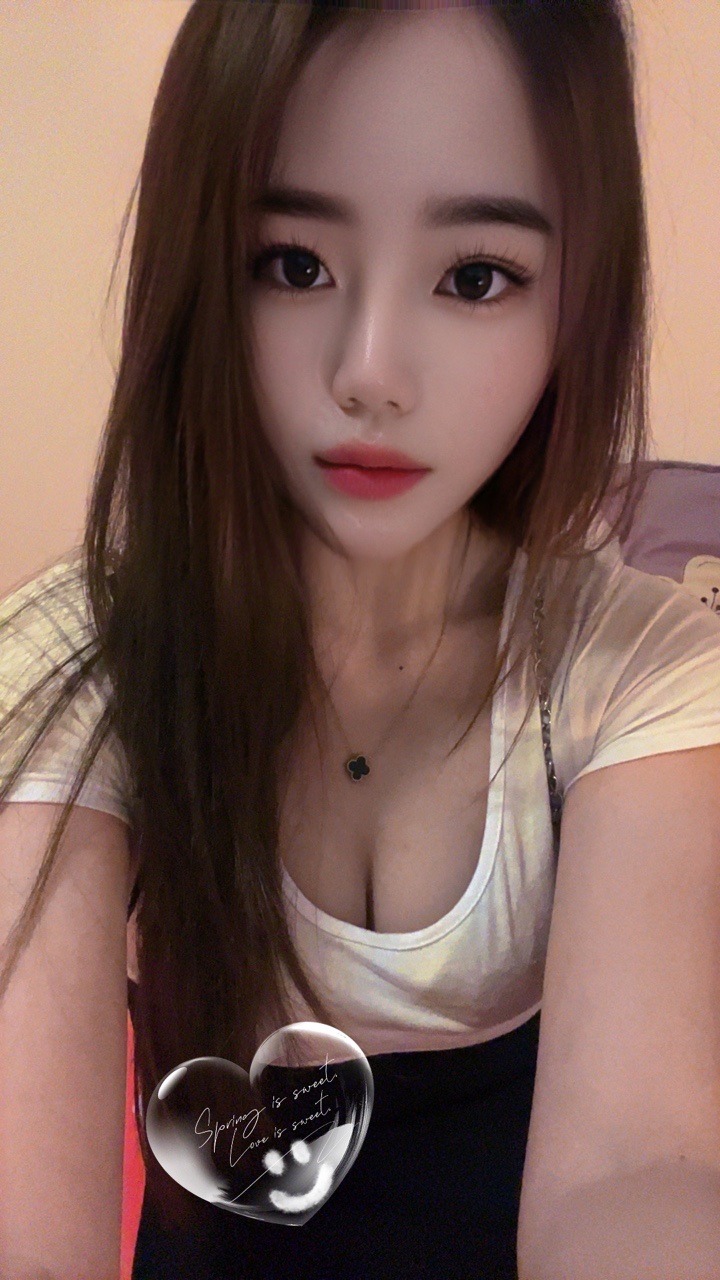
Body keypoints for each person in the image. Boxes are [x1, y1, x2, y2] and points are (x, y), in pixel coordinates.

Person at [1, 3, 719, 1278]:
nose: (371, 371)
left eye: (475, 276)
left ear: (579, 296)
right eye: (292, 263)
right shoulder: (76, 664)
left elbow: (634, 1166)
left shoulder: (639, 670)